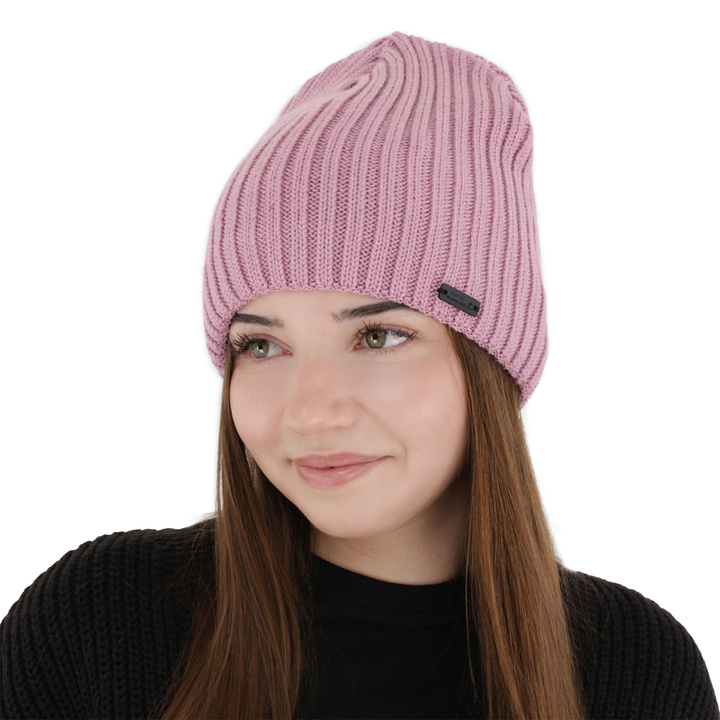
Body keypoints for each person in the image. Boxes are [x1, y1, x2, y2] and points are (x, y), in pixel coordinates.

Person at [0, 31, 717, 720]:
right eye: (262, 345)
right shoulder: (96, 625)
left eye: (378, 336)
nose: (310, 413)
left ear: (489, 357)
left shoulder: (634, 670)